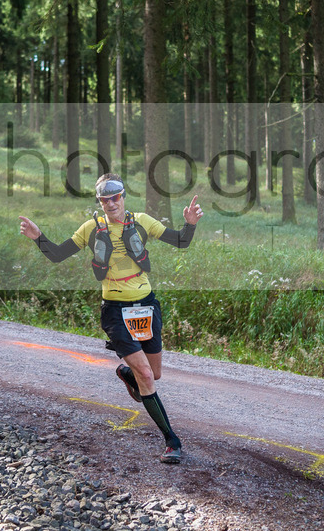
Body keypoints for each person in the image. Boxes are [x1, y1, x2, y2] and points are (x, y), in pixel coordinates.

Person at [18, 173, 203, 464]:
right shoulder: (91, 228)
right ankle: (172, 441)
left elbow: (180, 241)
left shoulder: (141, 221)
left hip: (146, 306)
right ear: (100, 202)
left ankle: (126, 373)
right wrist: (38, 238)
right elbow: (56, 254)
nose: (110, 203)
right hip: (115, 310)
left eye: (114, 197)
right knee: (145, 376)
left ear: (123, 197)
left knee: (152, 375)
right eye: (104, 199)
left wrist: (190, 225)